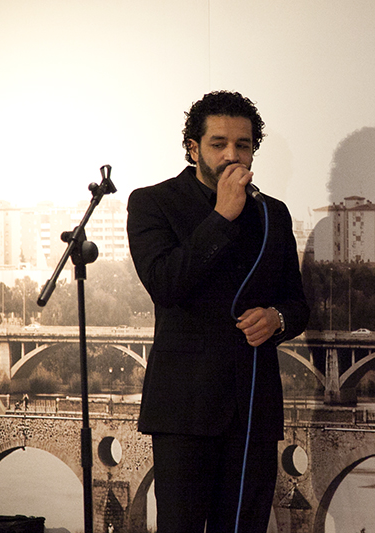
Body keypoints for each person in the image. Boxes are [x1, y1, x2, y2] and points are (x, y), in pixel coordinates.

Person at [127, 90, 309, 533]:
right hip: (184, 410)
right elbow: (167, 284)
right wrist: (222, 216)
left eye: (243, 145)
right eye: (218, 143)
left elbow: (297, 304)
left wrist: (277, 319)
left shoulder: (272, 214)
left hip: (253, 410)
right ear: (193, 148)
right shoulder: (153, 203)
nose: (232, 154)